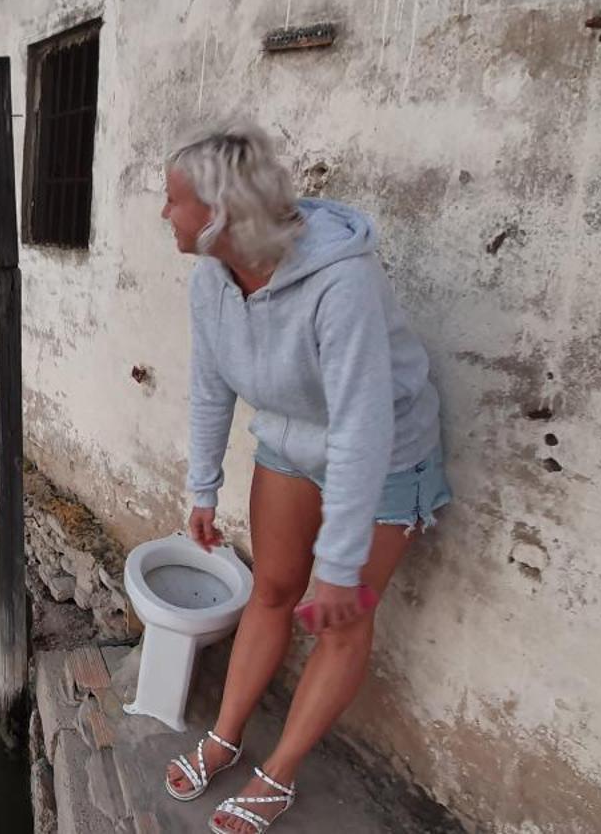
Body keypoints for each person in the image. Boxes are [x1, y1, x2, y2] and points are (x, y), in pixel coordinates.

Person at [155, 128, 450, 833]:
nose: (164, 214)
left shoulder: (342, 281)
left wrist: (341, 562)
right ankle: (226, 736)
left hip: (384, 455)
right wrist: (202, 487)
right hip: (290, 439)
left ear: (221, 213)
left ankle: (278, 773)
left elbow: (361, 427)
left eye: (174, 201)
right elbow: (209, 386)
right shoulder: (211, 280)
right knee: (274, 592)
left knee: (340, 619)